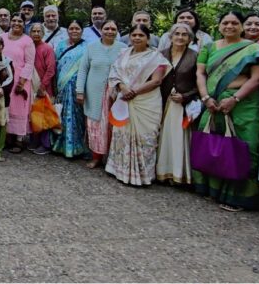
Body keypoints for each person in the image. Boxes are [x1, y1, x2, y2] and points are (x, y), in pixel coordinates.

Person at [194, 11, 259, 212]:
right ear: (219, 26)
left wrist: (235, 99)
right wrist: (206, 97)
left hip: (243, 103)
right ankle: (213, 190)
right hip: (213, 101)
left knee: (243, 145)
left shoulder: (252, 48)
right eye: (225, 22)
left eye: (234, 23)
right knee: (213, 142)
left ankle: (239, 197)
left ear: (242, 26)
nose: (229, 26)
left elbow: (257, 78)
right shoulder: (209, 47)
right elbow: (200, 73)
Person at [104, 25, 170, 186]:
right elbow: (115, 73)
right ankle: (120, 169)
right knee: (122, 134)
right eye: (134, 35)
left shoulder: (156, 57)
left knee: (144, 137)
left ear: (148, 38)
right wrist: (123, 88)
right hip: (125, 98)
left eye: (141, 35)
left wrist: (133, 91)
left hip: (145, 101)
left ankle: (141, 175)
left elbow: (156, 81)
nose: (137, 38)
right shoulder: (123, 54)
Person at [76, 20, 127, 168]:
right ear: (101, 30)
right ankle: (96, 157)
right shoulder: (91, 47)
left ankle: (112, 160)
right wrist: (80, 91)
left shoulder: (123, 48)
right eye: (107, 28)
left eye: (113, 28)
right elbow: (83, 70)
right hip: (94, 93)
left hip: (115, 94)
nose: (110, 31)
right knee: (95, 126)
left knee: (114, 126)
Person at [156, 23, 198, 185]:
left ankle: (179, 174)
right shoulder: (161, 54)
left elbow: (200, 83)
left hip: (182, 104)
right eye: (177, 34)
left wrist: (185, 96)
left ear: (189, 38)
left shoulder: (195, 56)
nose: (180, 37)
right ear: (170, 36)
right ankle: (162, 172)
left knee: (179, 138)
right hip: (163, 101)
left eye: (184, 35)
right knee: (163, 136)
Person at [52, 20, 88, 158]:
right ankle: (61, 145)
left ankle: (77, 146)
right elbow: (56, 66)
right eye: (71, 28)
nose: (74, 31)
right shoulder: (61, 45)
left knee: (77, 117)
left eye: (77, 28)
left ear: (82, 30)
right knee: (62, 114)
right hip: (62, 85)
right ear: (67, 30)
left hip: (78, 87)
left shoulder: (87, 47)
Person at [0, 14, 35, 153]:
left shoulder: (27, 41)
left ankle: (19, 140)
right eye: (14, 20)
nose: (16, 23)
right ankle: (7, 137)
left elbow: (29, 63)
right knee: (6, 106)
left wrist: (21, 81)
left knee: (19, 109)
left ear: (24, 23)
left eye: (19, 21)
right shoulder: (2, 37)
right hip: (4, 78)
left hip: (21, 79)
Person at [28, 22, 56, 155]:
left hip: (43, 86)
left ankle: (45, 144)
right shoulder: (28, 47)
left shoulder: (47, 48)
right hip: (30, 85)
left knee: (43, 115)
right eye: (34, 31)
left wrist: (43, 86)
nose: (36, 34)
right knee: (33, 113)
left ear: (43, 33)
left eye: (39, 31)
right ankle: (34, 140)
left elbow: (51, 70)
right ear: (30, 33)